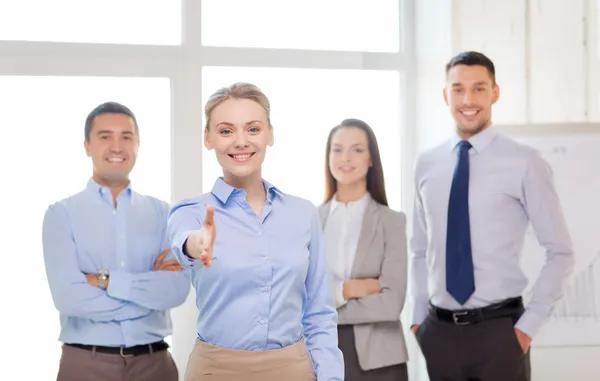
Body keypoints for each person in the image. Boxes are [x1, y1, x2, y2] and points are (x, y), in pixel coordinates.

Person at [409, 51, 575, 381]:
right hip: (438, 335)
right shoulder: (427, 164)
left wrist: (527, 328)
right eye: (458, 89)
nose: (468, 99)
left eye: (479, 88)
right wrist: (418, 321)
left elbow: (560, 252)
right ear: (446, 95)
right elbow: (418, 248)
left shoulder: (525, 162)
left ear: (495, 93)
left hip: (500, 335)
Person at [166, 82, 344, 381]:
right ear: (208, 138)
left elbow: (319, 312)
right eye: (226, 131)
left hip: (294, 369)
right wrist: (197, 244)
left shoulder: (302, 213)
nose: (240, 142)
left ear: (270, 134)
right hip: (215, 370)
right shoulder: (191, 212)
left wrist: (330, 377)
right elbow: (184, 242)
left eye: (252, 129)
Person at [42, 102, 191, 381]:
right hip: (86, 363)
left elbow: (175, 291)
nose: (117, 146)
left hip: (155, 364)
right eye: (105, 136)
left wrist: (103, 280)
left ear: (137, 144)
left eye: (126, 136)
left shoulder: (163, 213)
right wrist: (146, 295)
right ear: (87, 146)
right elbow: (69, 298)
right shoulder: (61, 215)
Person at [319, 119, 409, 381]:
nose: (345, 157)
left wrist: (329, 303)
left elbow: (391, 304)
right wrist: (349, 289)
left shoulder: (392, 221)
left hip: (381, 361)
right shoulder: (310, 220)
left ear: (371, 159)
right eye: (337, 149)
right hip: (322, 355)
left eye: (357, 149)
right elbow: (300, 296)